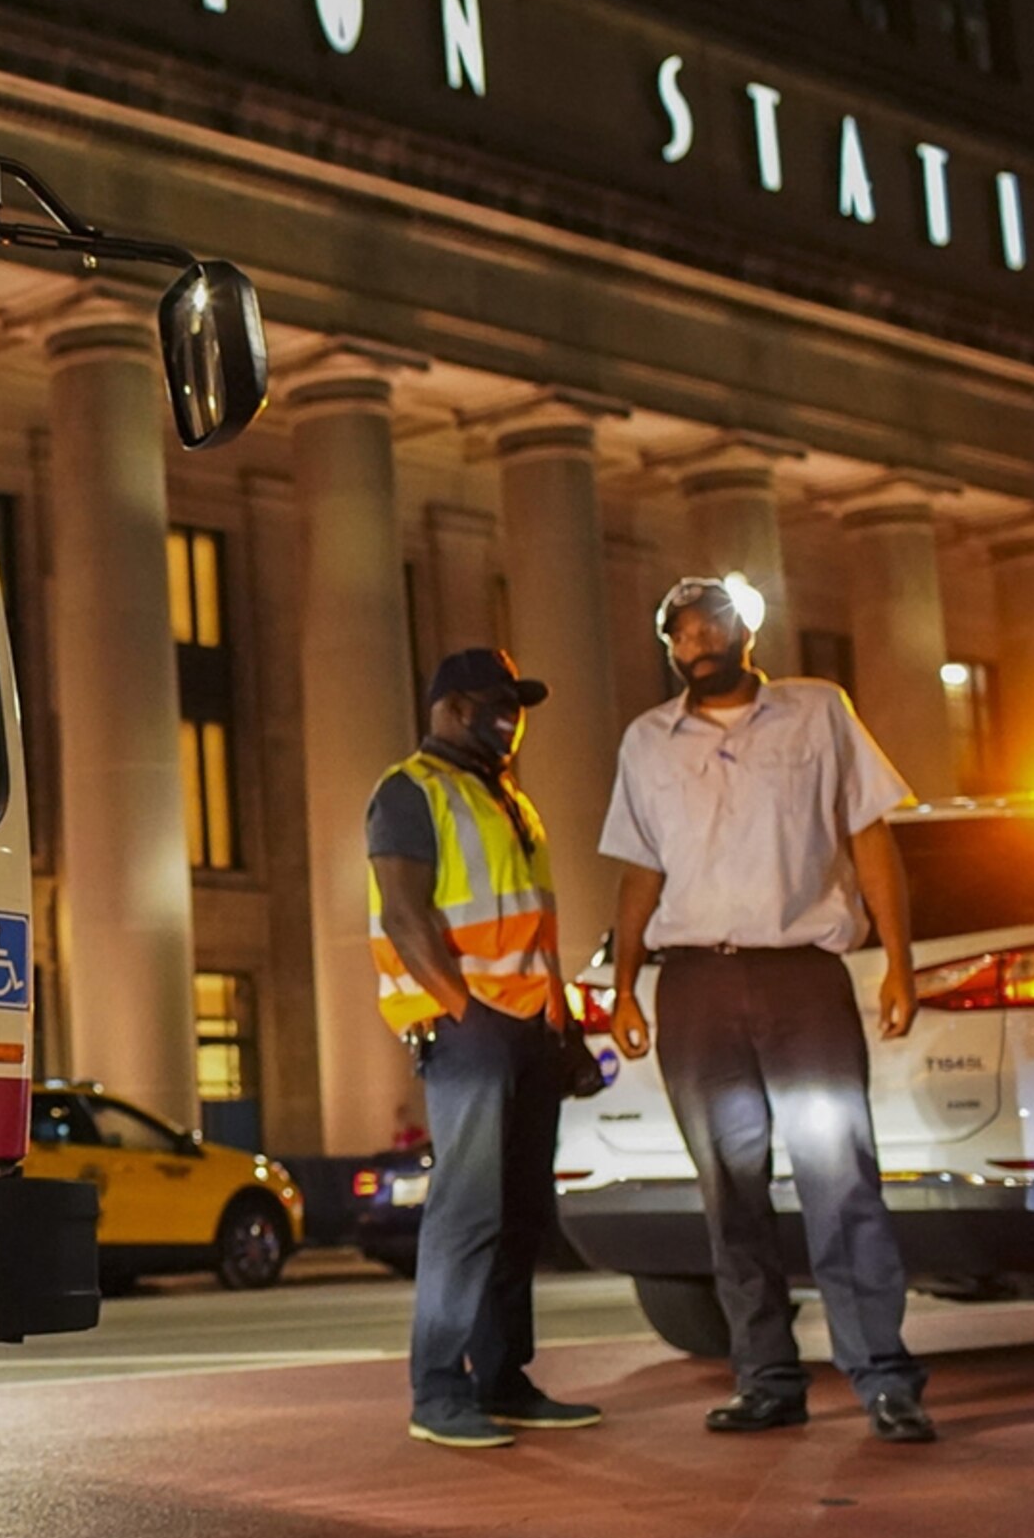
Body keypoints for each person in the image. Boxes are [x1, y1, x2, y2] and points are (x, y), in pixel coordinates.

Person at [601, 576, 935, 1443]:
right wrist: (623, 984)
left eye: (709, 622)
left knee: (840, 1173)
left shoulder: (819, 711)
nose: (694, 640)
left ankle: (884, 1376)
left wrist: (899, 964)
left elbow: (871, 838)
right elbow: (639, 869)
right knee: (729, 1189)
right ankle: (767, 1378)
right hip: (696, 990)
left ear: (745, 628)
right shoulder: (646, 742)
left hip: (802, 981)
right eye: (677, 631)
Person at [367, 647, 601, 1450]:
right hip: (471, 1029)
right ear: (451, 707)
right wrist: (465, 1011)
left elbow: (533, 923)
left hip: (532, 1026)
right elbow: (405, 915)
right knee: (466, 1214)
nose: (512, 718)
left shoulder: (508, 799)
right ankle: (438, 1390)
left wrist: (561, 1021)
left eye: (519, 704)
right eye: (497, 703)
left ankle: (503, 1378)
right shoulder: (410, 790)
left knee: (520, 1212)